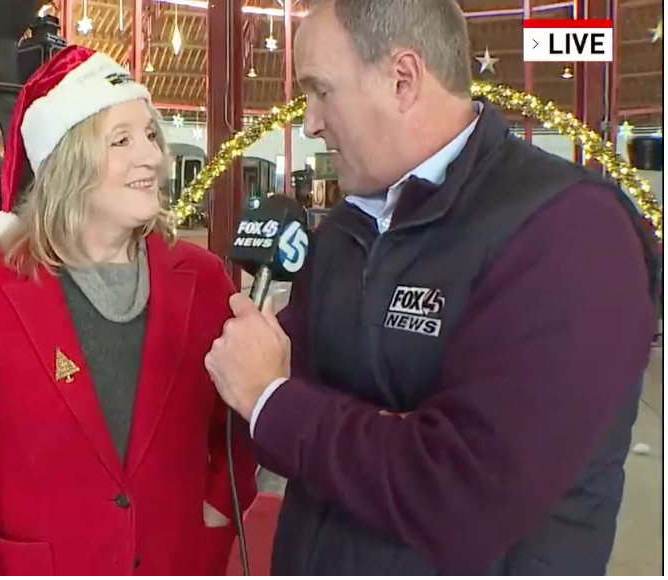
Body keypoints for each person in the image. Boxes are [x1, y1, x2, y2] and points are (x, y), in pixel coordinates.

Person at [203, 0, 661, 575]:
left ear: (403, 79)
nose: (310, 122)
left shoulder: (567, 230)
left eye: (321, 91)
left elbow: (460, 494)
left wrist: (277, 402)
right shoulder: (345, 228)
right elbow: (268, 417)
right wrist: (382, 433)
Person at [0, 45, 258, 576]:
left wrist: (219, 505)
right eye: (121, 140)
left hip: (178, 558)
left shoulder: (205, 278)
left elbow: (235, 417)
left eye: (150, 135)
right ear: (68, 159)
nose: (151, 156)